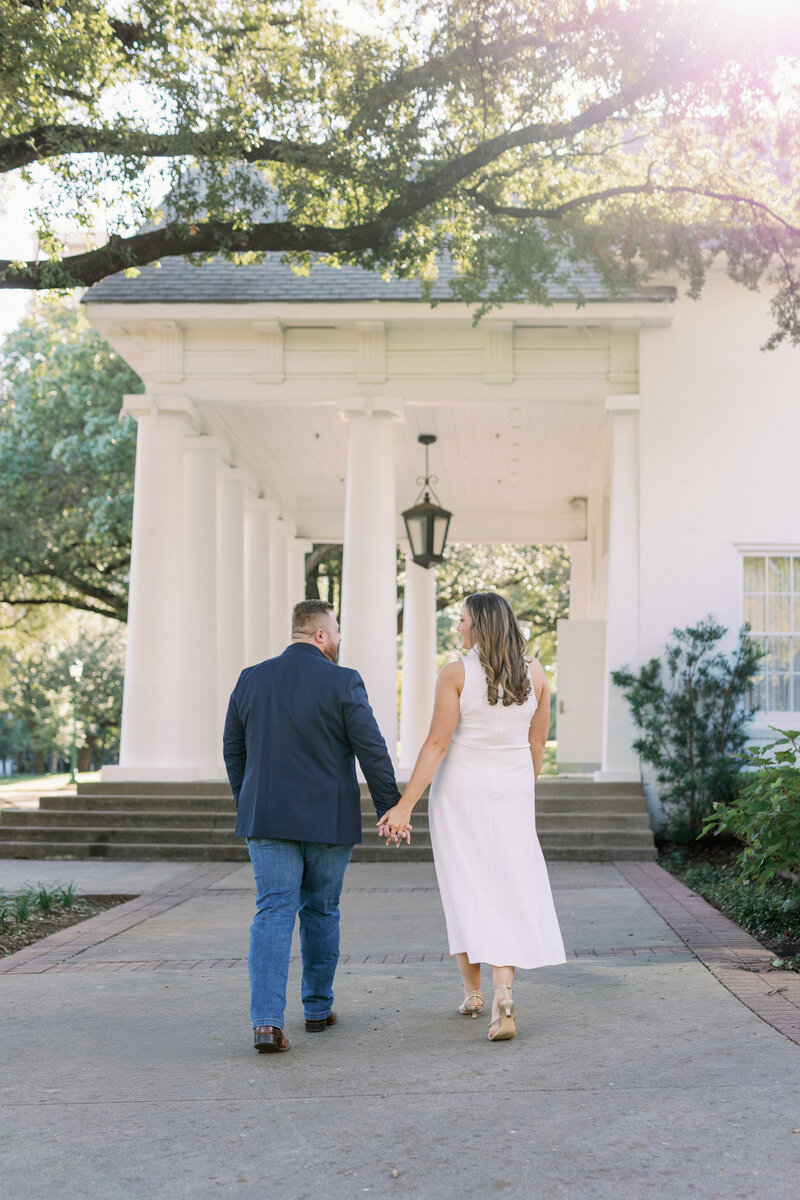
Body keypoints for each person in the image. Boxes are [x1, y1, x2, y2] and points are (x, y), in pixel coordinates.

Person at [379, 592, 566, 1041]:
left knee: (466, 885)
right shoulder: (536, 673)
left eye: (461, 620)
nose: (457, 628)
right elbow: (536, 744)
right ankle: (502, 991)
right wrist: (521, 787)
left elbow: (438, 744)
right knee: (507, 886)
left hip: (460, 794)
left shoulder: (457, 674)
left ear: (478, 625)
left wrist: (405, 806)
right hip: (514, 791)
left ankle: (473, 991)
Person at [223, 598, 402, 1054]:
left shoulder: (251, 679)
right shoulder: (344, 681)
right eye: (337, 631)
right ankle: (318, 1009)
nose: (339, 640)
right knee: (322, 910)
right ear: (321, 635)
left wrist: (250, 800)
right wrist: (391, 807)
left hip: (267, 817)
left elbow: (233, 750)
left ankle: (266, 1022)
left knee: (273, 911)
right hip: (329, 818)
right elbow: (373, 750)